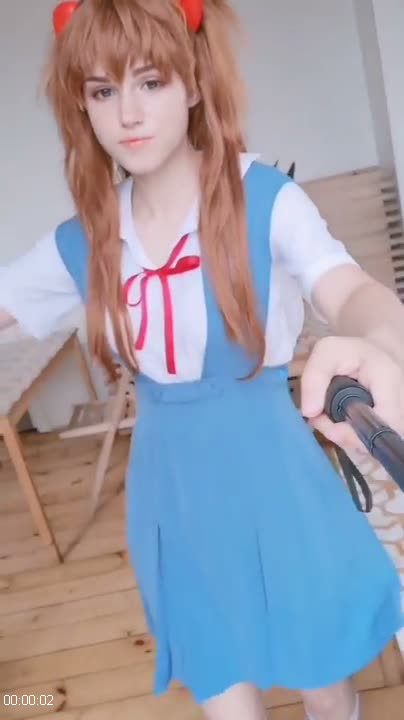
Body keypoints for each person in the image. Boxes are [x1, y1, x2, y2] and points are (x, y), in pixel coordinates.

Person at [1, 1, 404, 718]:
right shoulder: (87, 237)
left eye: (150, 81)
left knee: (321, 675)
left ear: (191, 82)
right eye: (103, 90)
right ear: (82, 106)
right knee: (218, 673)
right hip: (172, 493)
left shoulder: (266, 200)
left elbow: (350, 291)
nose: (128, 113)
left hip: (276, 477)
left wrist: (383, 342)